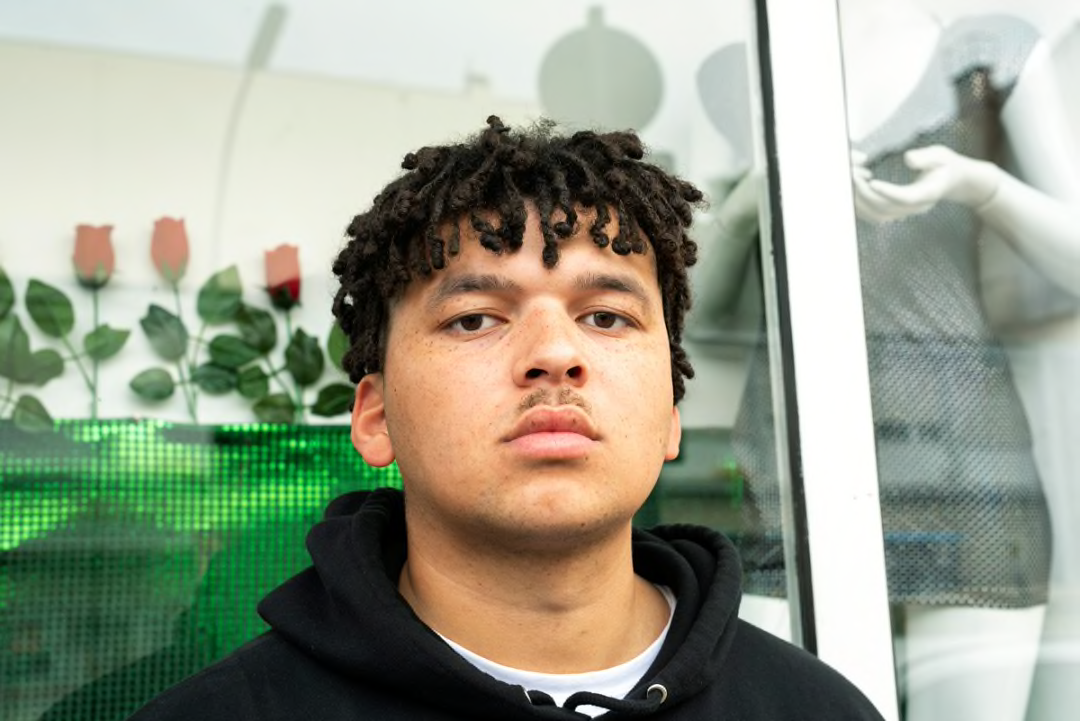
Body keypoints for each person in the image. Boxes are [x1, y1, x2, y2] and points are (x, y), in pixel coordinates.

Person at [124, 117, 886, 719]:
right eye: (475, 318)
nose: (554, 353)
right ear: (376, 416)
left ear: (670, 416)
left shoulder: (818, 710)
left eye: (607, 316)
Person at [690, 2, 1080, 720]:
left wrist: (980, 186)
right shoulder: (743, 65)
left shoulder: (986, 53)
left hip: (967, 459)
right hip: (793, 463)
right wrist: (750, 201)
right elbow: (700, 320)